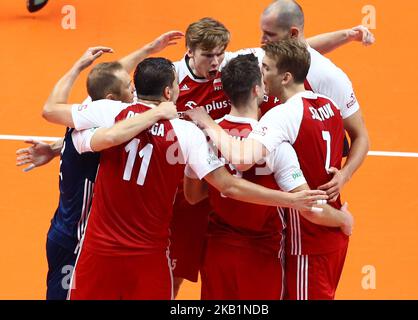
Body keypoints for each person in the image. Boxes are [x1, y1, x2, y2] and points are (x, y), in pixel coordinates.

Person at [42, 53, 328, 299]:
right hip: (149, 257)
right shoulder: (187, 133)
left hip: (99, 251)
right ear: (169, 92)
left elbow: (51, 112)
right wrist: (291, 200)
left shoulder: (110, 111)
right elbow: (229, 186)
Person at [170, 16, 373, 296]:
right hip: (269, 249)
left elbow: (211, 184)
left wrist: (207, 128)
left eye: (267, 68)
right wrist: (340, 218)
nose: (215, 61)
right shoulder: (290, 130)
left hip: (220, 240)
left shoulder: (210, 139)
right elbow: (293, 54)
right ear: (257, 89)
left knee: (179, 273)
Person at [18, 31, 183, 300]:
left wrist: (146, 49)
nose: (134, 88)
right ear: (111, 97)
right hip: (78, 238)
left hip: (63, 226)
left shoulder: (89, 109)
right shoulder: (108, 118)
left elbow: (105, 80)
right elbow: (112, 130)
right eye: (129, 87)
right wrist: (158, 111)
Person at [259, 0, 370, 202]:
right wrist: (347, 35)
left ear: (292, 34)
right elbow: (303, 47)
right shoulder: (266, 60)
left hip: (310, 194)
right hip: (270, 193)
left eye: (270, 35)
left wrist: (344, 175)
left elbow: (361, 136)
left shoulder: (329, 78)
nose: (262, 40)